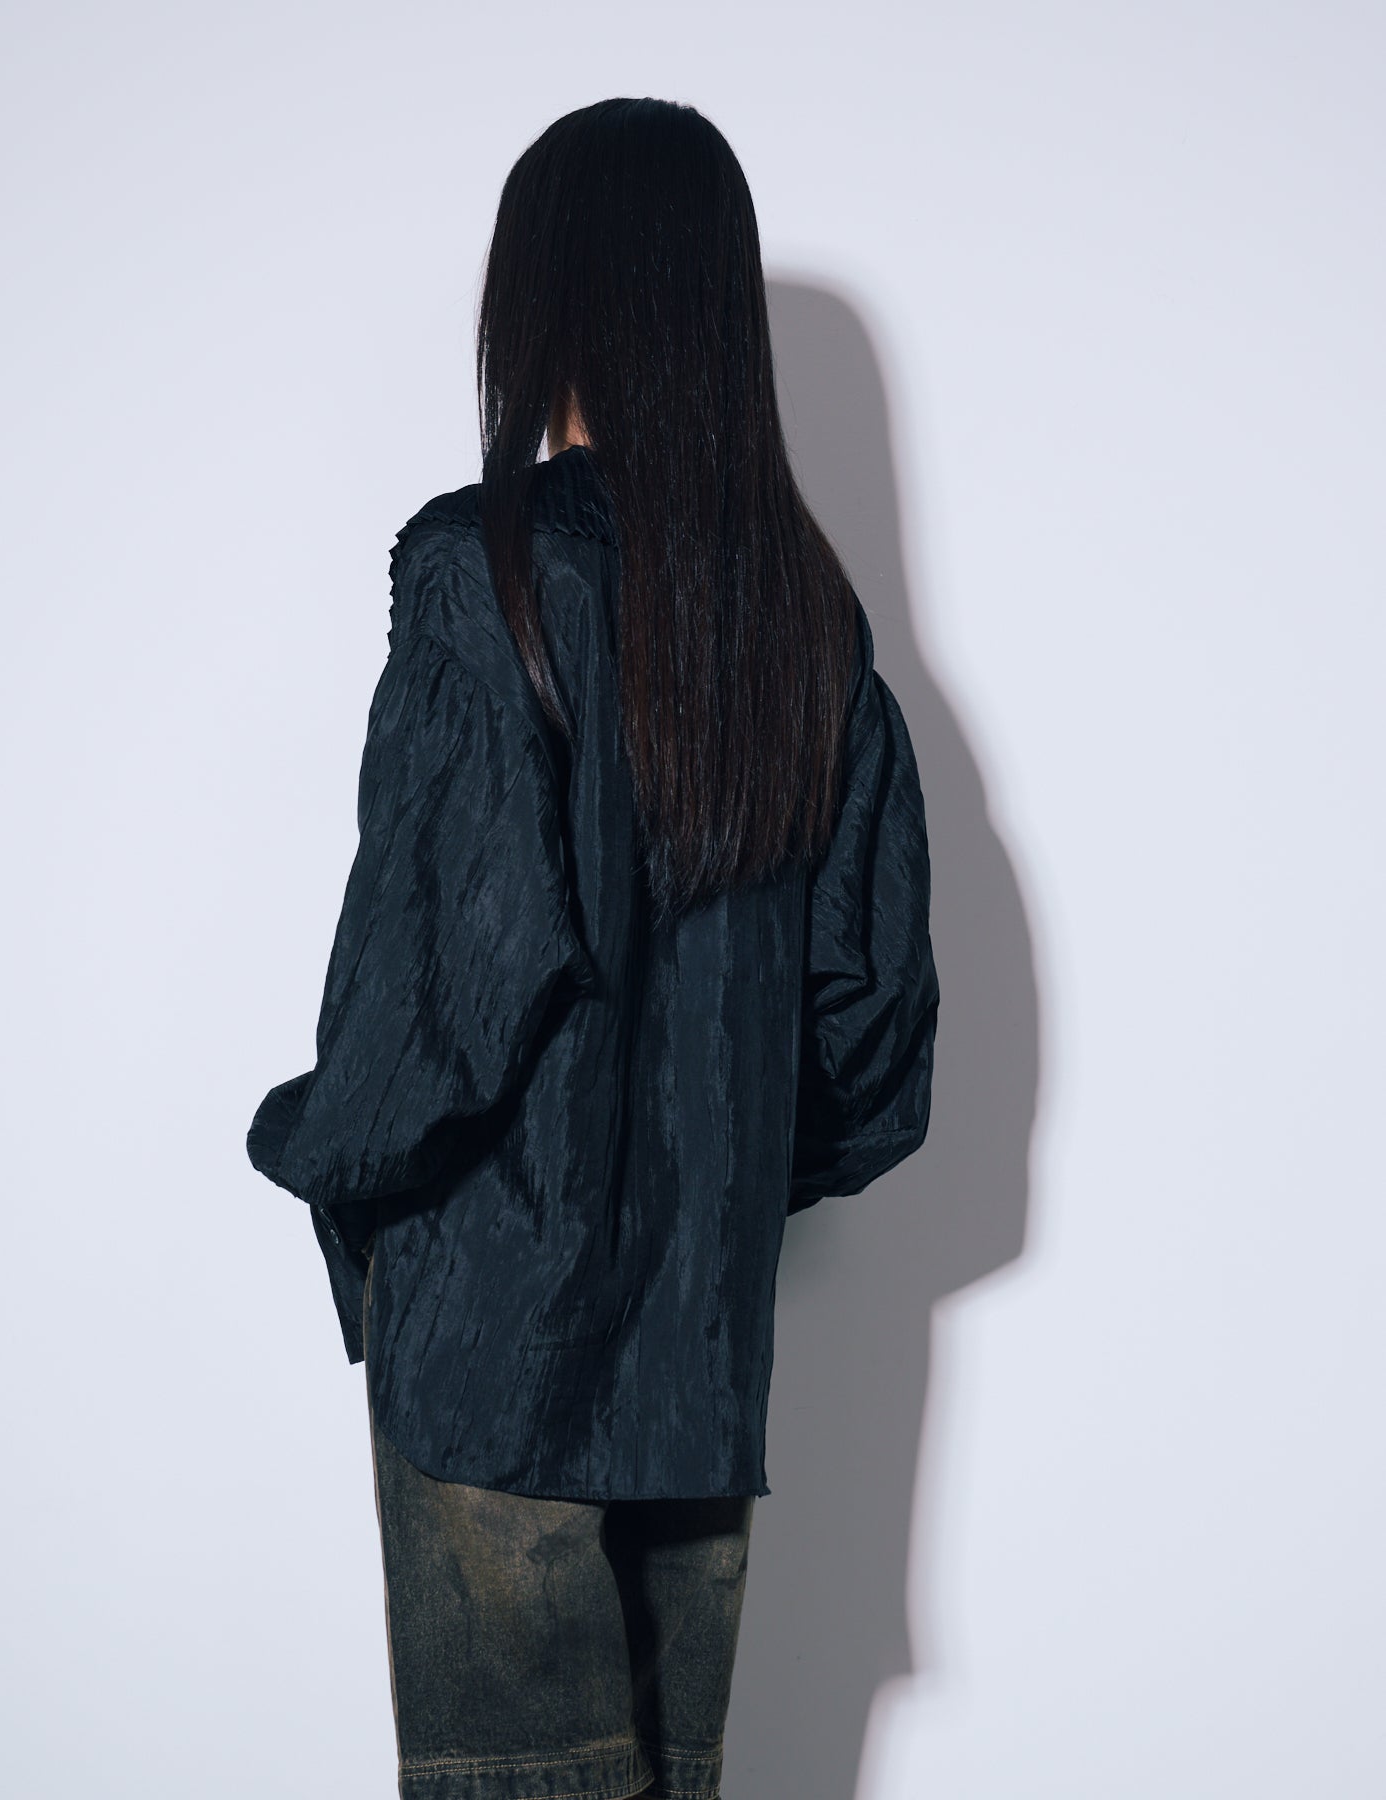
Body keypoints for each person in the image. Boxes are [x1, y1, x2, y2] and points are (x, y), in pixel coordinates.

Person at [246, 96, 939, 1800]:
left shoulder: (487, 570)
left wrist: (318, 1153)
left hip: (493, 1357)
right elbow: (871, 1041)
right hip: (698, 1368)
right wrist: (702, 1188)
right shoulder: (802, 612)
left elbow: (433, 991)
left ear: (544, 294)